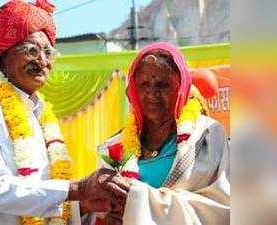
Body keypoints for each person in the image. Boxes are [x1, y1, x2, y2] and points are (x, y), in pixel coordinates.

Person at [0, 1, 129, 225]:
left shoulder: (40, 117)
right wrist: (79, 189)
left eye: (48, 52)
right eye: (32, 50)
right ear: (3, 55)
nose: (43, 61)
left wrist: (86, 206)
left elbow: (36, 193)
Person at [97, 42, 230, 225]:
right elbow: (96, 208)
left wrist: (139, 200)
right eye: (144, 84)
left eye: (163, 84)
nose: (153, 93)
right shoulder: (114, 147)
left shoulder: (207, 136)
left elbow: (222, 207)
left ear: (181, 87)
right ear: (134, 90)